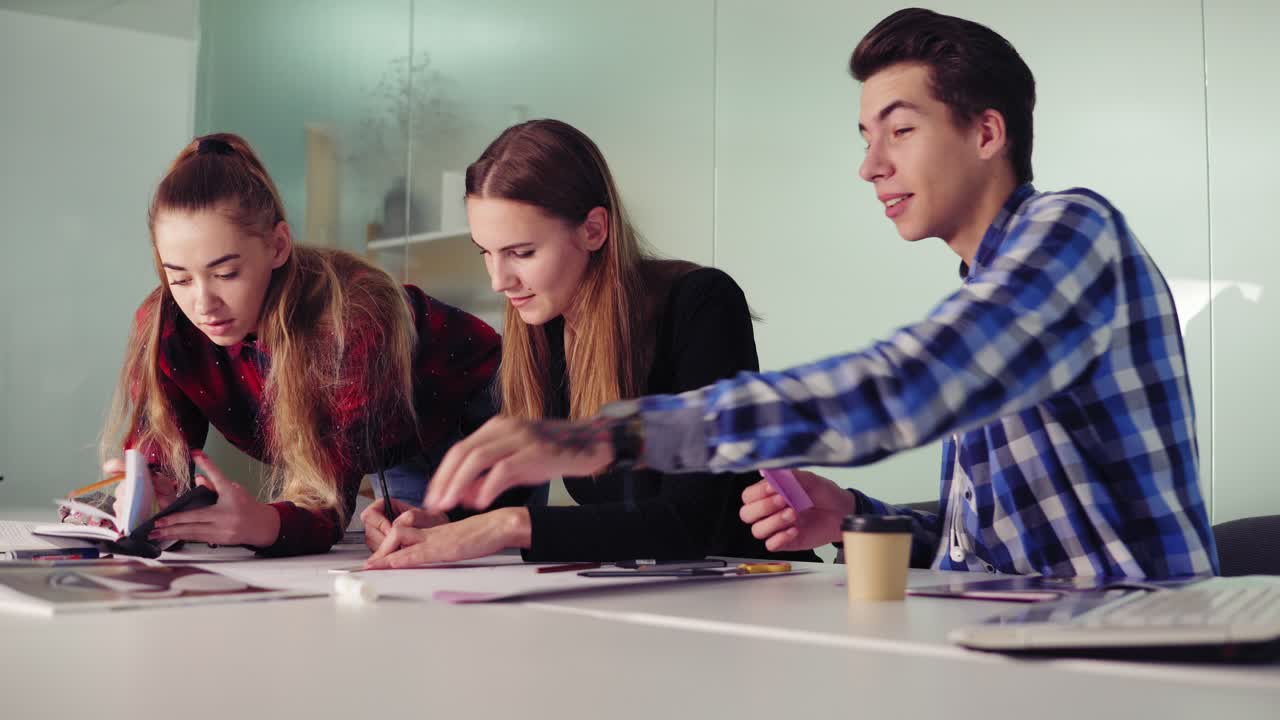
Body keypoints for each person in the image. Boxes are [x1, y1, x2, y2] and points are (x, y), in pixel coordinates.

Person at [416, 10, 1218, 579]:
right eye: (865, 138)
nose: (870, 165)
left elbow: (904, 386)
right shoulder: (993, 287)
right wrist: (855, 515)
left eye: (898, 131)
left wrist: (608, 437)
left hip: (1135, 652)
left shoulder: (1073, 232)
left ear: (986, 133)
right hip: (1030, 643)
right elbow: (992, 541)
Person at [362, 119, 815, 567]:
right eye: (486, 252)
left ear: (594, 230)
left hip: (755, 586)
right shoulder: (544, 326)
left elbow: (689, 522)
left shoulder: (703, 304)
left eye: (521, 253)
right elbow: (514, 489)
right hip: (650, 601)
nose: (499, 280)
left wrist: (507, 526)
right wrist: (442, 519)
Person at [96, 132, 500, 556]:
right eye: (178, 278)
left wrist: (257, 523)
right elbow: (157, 461)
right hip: (374, 435)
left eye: (227, 273)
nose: (203, 304)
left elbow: (327, 504)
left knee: (461, 560)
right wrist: (148, 494)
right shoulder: (165, 324)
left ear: (277, 246)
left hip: (474, 414)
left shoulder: (349, 318)